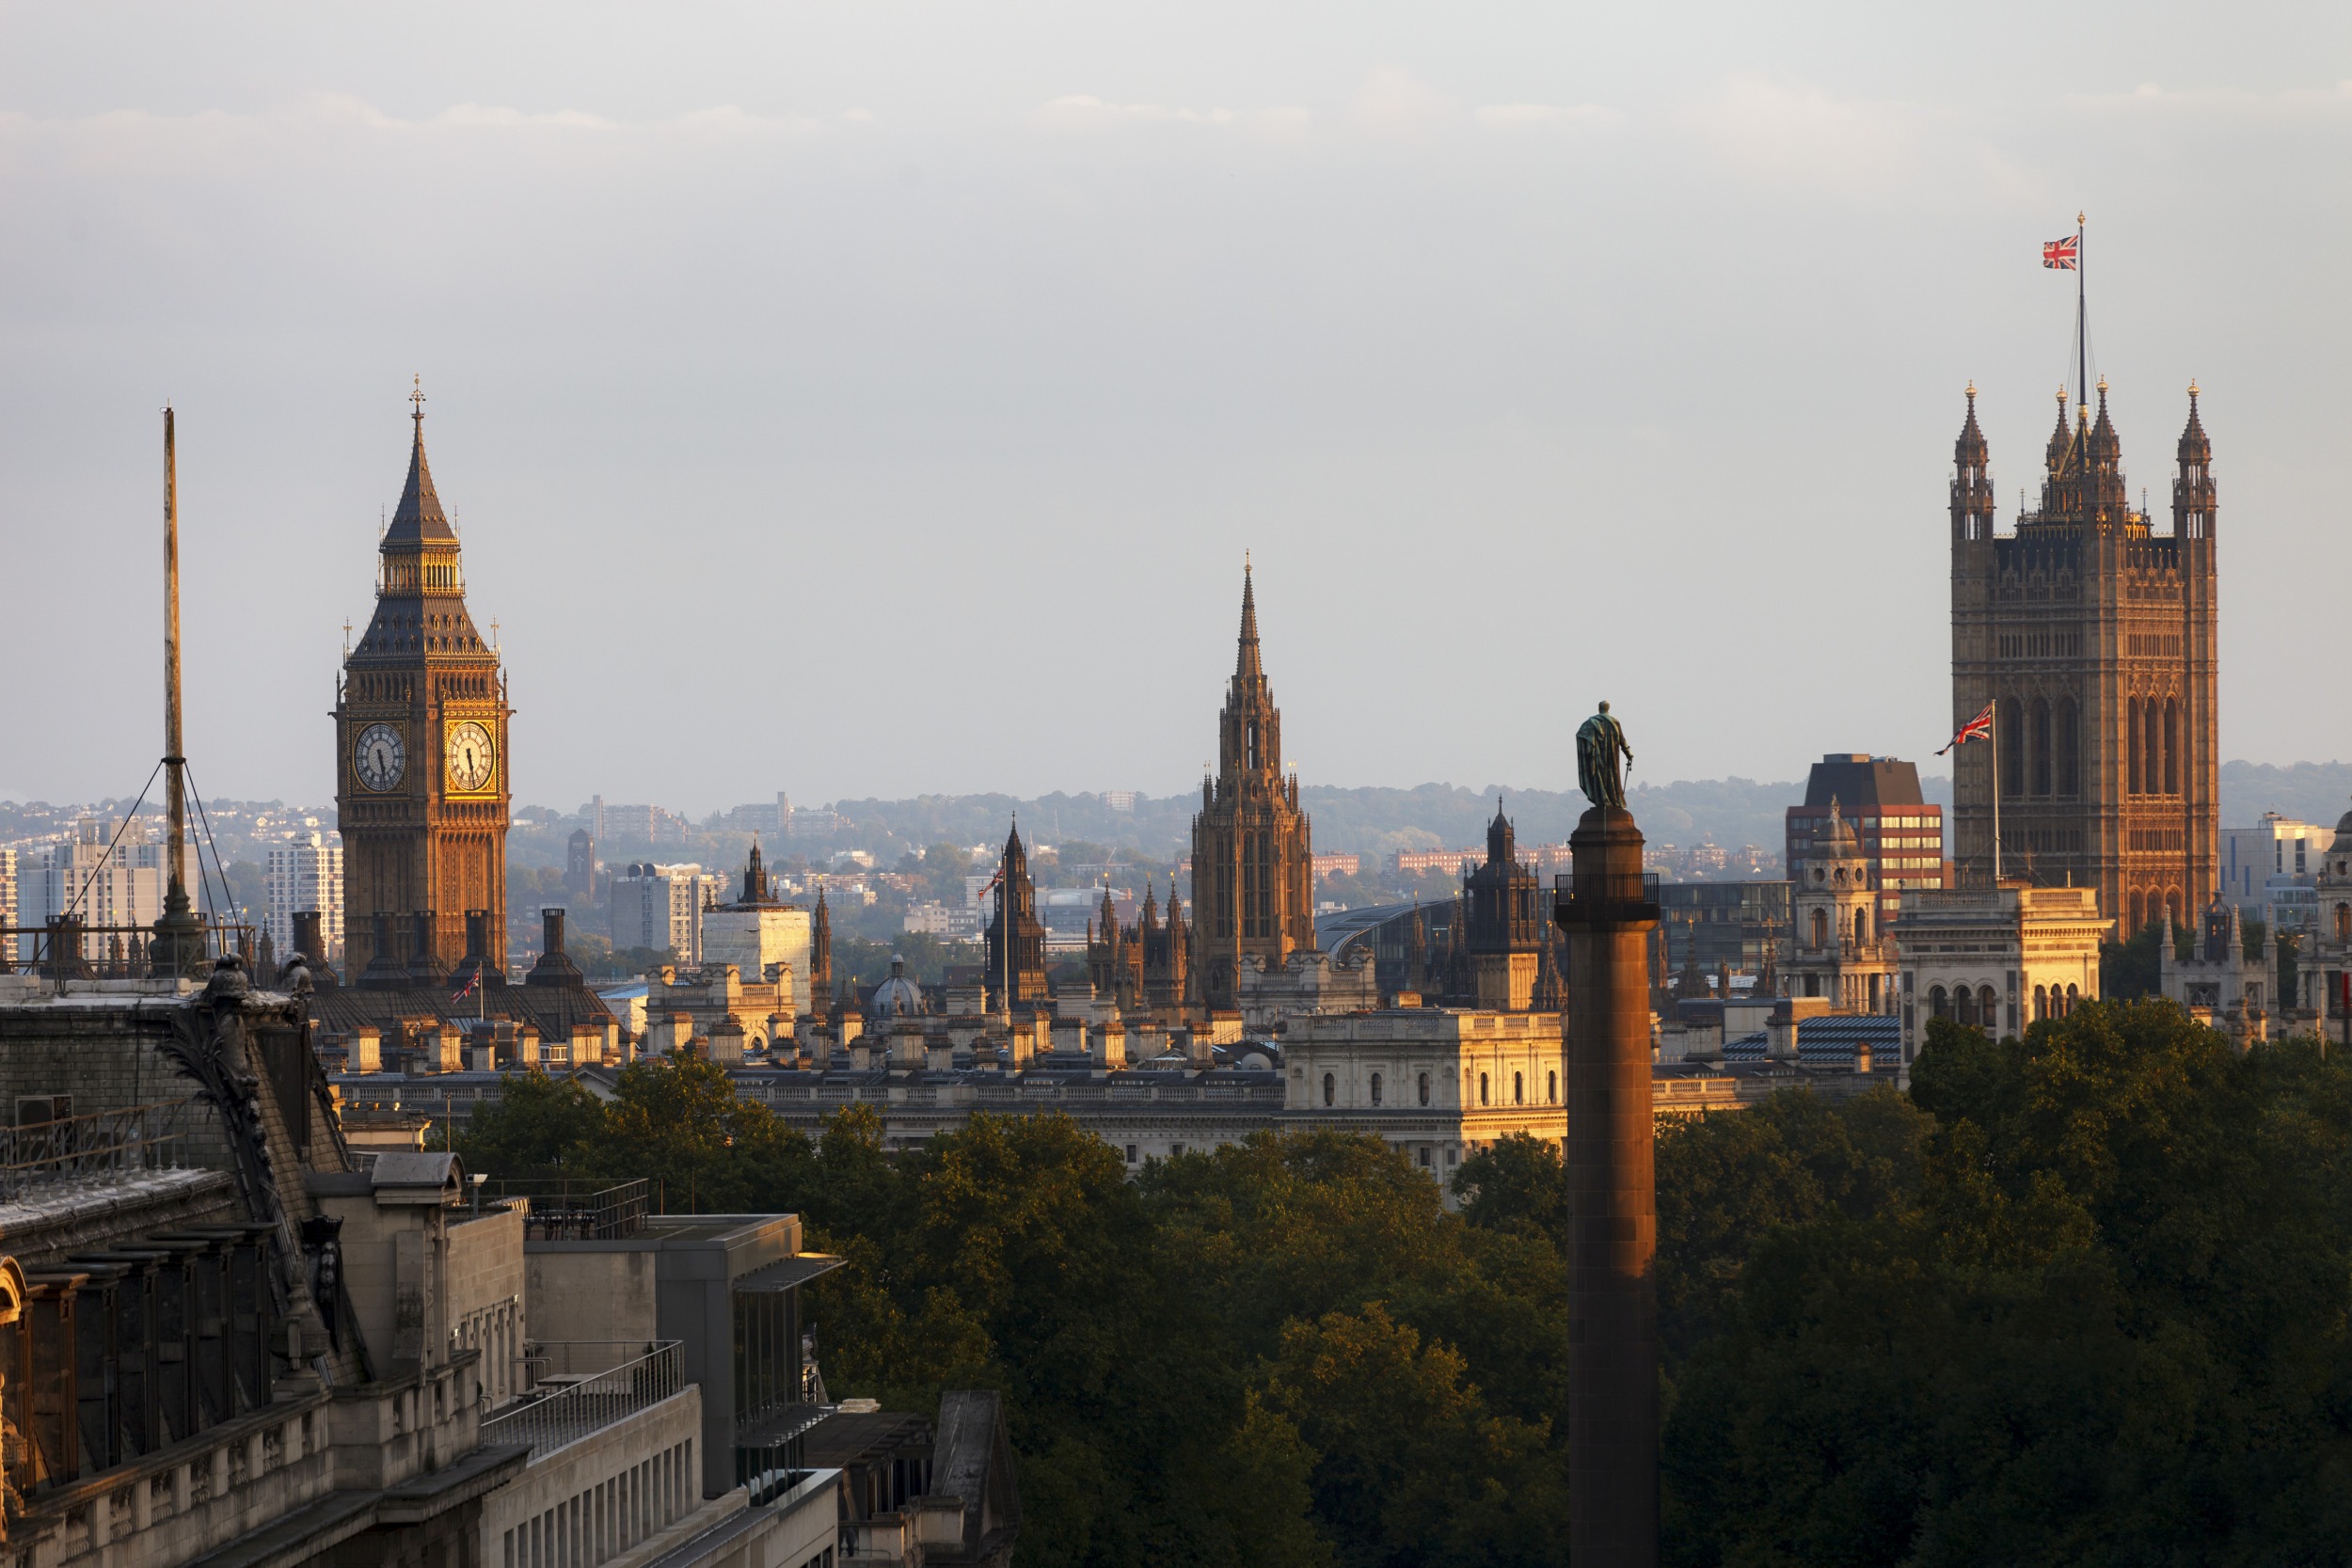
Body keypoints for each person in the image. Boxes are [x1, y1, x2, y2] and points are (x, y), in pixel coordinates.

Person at [1575, 701, 1633, 810]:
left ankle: (1602, 800)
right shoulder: (1615, 722)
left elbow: (1580, 735)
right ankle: (1613, 801)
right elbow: (1622, 740)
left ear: (1599, 708)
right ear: (1608, 709)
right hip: (1612, 759)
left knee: (1599, 777)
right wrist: (1628, 754)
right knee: (1612, 777)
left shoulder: (1590, 722)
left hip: (1596, 758)